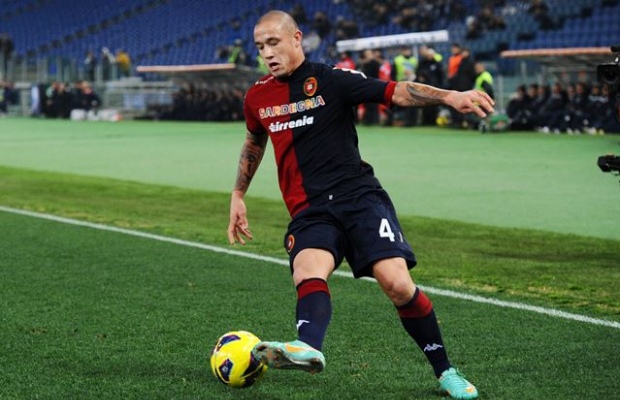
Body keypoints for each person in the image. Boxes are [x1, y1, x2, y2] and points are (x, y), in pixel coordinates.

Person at [227, 10, 493, 400]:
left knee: (397, 285)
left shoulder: (333, 80)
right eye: (260, 46)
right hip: (310, 210)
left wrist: (450, 96)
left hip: (359, 199)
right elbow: (254, 142)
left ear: (296, 39)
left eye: (273, 43)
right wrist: (238, 195)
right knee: (308, 269)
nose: (267, 53)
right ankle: (308, 346)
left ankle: (446, 371)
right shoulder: (258, 97)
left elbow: (396, 91)